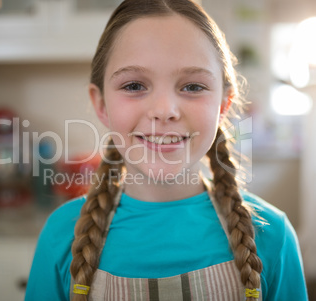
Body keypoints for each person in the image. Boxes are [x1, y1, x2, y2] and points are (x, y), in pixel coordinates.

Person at [25, 0, 308, 300]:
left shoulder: (272, 236)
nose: (164, 111)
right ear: (101, 104)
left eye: (193, 87)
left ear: (223, 104)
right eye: (134, 85)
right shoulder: (61, 235)